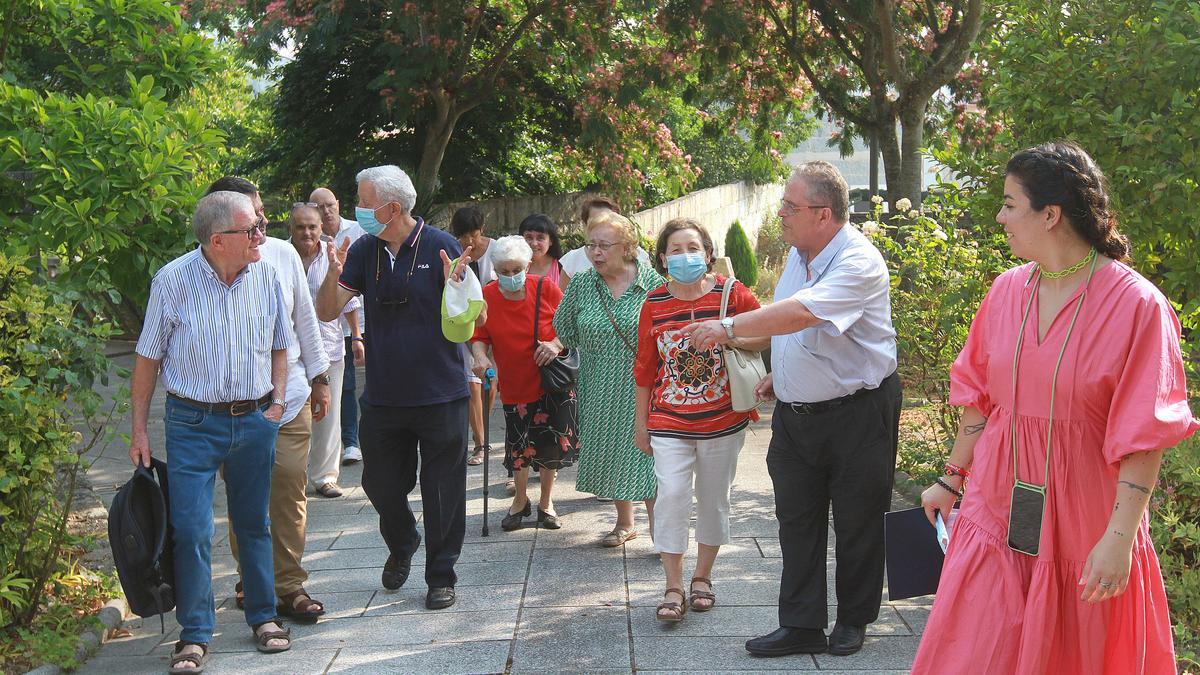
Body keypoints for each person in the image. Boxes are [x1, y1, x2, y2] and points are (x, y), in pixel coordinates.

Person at [911, 141, 1198, 673]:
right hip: (997, 503)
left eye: (1009, 203)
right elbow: (980, 397)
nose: (999, 217)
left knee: (1071, 653)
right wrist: (952, 479)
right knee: (974, 649)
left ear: (1050, 215)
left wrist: (1119, 539)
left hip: (1085, 520)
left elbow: (1145, 433)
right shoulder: (1005, 291)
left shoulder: (1137, 305)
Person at [684, 161, 901, 657]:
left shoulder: (857, 262)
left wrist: (730, 328)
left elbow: (807, 312)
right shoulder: (800, 254)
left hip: (859, 413)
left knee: (857, 520)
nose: (780, 214)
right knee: (797, 521)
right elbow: (801, 332)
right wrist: (780, 375)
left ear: (823, 214)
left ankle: (853, 619)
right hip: (799, 416)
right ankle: (801, 623)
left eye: (790, 206)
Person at [129, 191, 292, 672]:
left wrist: (278, 402)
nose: (262, 235)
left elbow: (281, 344)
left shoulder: (266, 273)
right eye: (253, 229)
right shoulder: (173, 281)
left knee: (253, 524)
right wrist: (139, 430)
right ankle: (195, 633)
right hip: (192, 422)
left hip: (255, 418)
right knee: (193, 530)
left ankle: (264, 617)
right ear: (219, 240)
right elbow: (147, 358)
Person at [315, 165, 485, 611]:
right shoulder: (363, 250)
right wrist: (333, 274)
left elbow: (477, 320)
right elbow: (326, 312)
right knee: (379, 483)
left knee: (443, 489)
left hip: (441, 392)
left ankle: (441, 575)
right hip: (384, 395)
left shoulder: (442, 245)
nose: (358, 208)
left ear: (391, 207)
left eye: (364, 199)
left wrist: (460, 288)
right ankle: (404, 537)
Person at [205, 178, 332, 627]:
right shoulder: (203, 264)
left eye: (261, 209)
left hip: (291, 393)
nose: (261, 218)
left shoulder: (281, 254)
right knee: (246, 494)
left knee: (290, 486)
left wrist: (319, 379)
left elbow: (305, 318)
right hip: (235, 404)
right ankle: (252, 582)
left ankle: (290, 585)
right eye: (252, 210)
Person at [633, 218, 768, 622]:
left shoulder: (732, 293)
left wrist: (728, 334)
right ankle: (673, 585)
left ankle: (702, 577)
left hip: (722, 421)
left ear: (708, 253)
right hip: (668, 420)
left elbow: (767, 333)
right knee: (671, 495)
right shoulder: (653, 303)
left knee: (714, 500)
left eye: (693, 247)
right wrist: (642, 424)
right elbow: (644, 367)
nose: (685, 255)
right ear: (662, 258)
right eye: (675, 249)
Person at [554, 211, 664, 546]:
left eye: (604, 245)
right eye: (591, 246)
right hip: (599, 384)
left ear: (628, 247)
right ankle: (625, 522)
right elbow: (564, 329)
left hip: (645, 385)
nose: (596, 253)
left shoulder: (653, 285)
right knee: (613, 451)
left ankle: (662, 529)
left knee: (648, 454)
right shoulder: (584, 284)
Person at [470, 235, 578, 531]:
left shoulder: (545, 288)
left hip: (552, 381)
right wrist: (480, 358)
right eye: (503, 271)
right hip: (515, 382)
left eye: (516, 269)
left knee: (551, 444)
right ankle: (519, 499)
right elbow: (478, 336)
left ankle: (546, 503)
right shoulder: (487, 296)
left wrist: (555, 343)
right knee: (519, 446)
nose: (510, 276)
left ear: (528, 265)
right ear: (494, 270)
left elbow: (570, 326)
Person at [290, 203, 363, 498]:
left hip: (328, 346)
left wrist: (357, 336)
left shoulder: (332, 255)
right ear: (290, 229)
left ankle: (325, 476)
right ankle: (293, 474)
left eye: (312, 227)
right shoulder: (279, 256)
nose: (307, 232)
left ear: (321, 228)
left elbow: (348, 300)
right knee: (292, 412)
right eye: (300, 227)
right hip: (288, 350)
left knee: (328, 415)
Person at [310, 186, 367, 466]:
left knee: (363, 382)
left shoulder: (358, 232)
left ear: (338, 203)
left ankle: (358, 438)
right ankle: (350, 442)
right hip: (329, 328)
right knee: (343, 387)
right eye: (319, 207)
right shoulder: (308, 241)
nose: (326, 211)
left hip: (361, 320)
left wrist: (357, 333)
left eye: (329, 205)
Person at [450, 206, 497, 467]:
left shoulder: (497, 249)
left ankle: (484, 433)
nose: (469, 240)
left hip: (494, 324)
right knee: (472, 384)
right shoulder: (452, 252)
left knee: (490, 385)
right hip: (466, 325)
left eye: (473, 233)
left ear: (482, 229)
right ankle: (481, 444)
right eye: (463, 235)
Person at [559, 196, 651, 277]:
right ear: (585, 224)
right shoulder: (574, 265)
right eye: (596, 221)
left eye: (609, 220)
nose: (602, 224)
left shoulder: (640, 257)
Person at [519, 213, 569, 290]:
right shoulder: (515, 268)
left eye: (540, 238)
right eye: (529, 237)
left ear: (551, 241)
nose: (534, 243)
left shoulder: (564, 267)